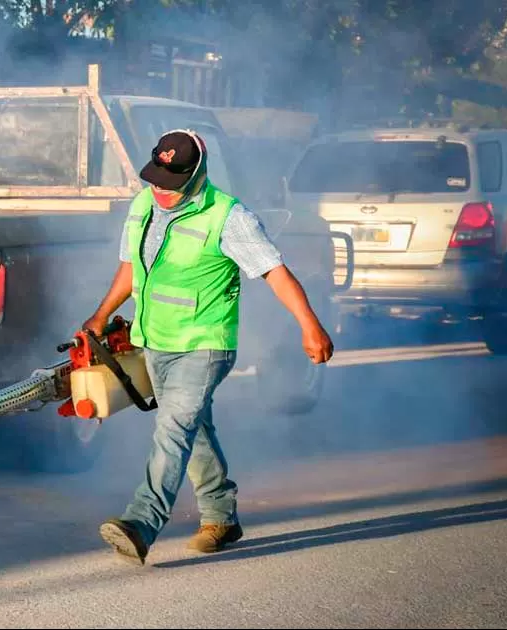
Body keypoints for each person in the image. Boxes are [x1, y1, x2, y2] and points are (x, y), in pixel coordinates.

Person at [82, 128, 334, 565]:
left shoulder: (229, 216)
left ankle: (142, 521)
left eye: (170, 184)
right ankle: (221, 516)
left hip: (204, 345)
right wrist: (101, 315)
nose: (160, 190)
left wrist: (310, 326)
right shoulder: (143, 204)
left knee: (174, 428)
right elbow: (130, 268)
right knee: (192, 427)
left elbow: (275, 273)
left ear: (197, 176)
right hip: (155, 340)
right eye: (155, 179)